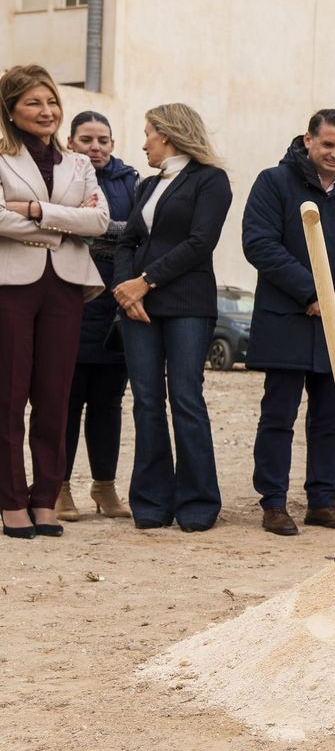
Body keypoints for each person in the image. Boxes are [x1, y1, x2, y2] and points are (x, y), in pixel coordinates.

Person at [242, 109, 335, 537]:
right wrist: (312, 291)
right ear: (308, 140)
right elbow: (259, 243)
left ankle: (322, 500)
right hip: (287, 317)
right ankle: (274, 502)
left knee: (331, 417)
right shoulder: (274, 182)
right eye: (329, 145)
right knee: (278, 415)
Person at [111, 104, 233, 532]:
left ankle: (198, 503)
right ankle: (150, 503)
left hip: (187, 305)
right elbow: (127, 241)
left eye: (148, 134)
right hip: (137, 309)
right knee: (146, 402)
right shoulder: (146, 185)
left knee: (185, 399)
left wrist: (145, 282)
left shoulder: (211, 181)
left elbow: (201, 242)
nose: (143, 143)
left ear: (168, 134)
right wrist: (126, 291)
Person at [0, 64, 110, 540]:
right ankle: (10, 500)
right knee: (8, 396)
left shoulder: (79, 163)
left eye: (52, 103)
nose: (47, 112)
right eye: (34, 103)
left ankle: (45, 497)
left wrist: (35, 210)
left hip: (66, 284)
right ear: (10, 110)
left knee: (53, 397)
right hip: (11, 284)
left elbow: (102, 221)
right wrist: (66, 221)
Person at [59, 110, 138, 522]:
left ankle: (104, 487)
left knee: (108, 402)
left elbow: (139, 233)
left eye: (103, 140)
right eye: (87, 139)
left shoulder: (132, 181)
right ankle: (59, 487)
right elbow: (58, 228)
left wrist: (92, 230)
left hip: (115, 306)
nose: (96, 147)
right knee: (65, 402)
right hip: (70, 297)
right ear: (71, 141)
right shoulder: (60, 174)